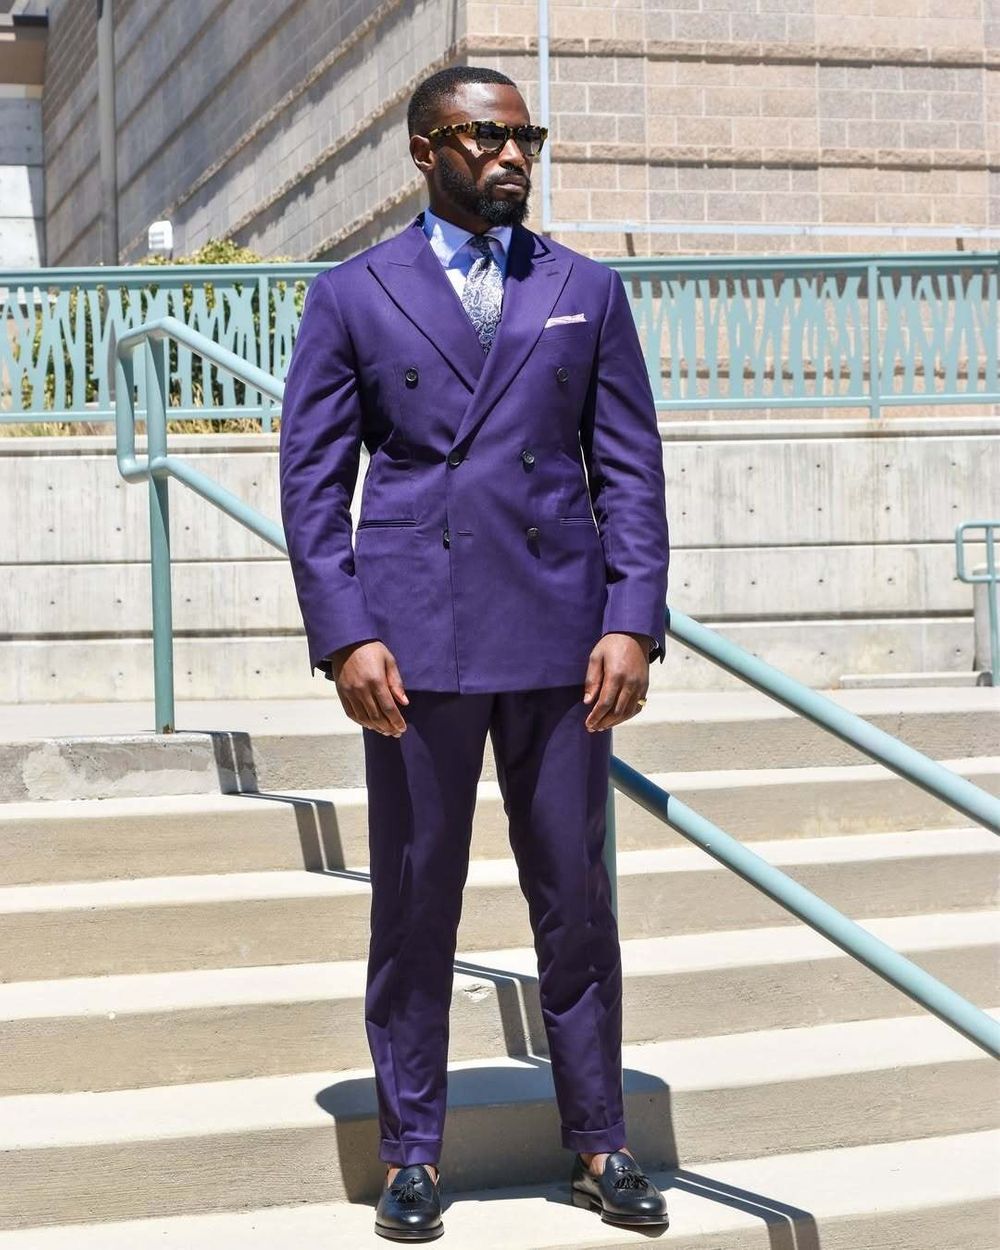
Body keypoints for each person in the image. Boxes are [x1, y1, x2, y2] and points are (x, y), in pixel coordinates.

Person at [278, 65, 670, 1242]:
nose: (512, 155)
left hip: (561, 641)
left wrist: (631, 615)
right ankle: (411, 1150)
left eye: (525, 135)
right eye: (484, 135)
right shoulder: (353, 295)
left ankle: (599, 1138)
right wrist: (344, 630)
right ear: (423, 152)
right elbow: (311, 483)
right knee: (413, 903)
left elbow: (632, 470)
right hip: (413, 646)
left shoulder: (585, 291)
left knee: (574, 901)